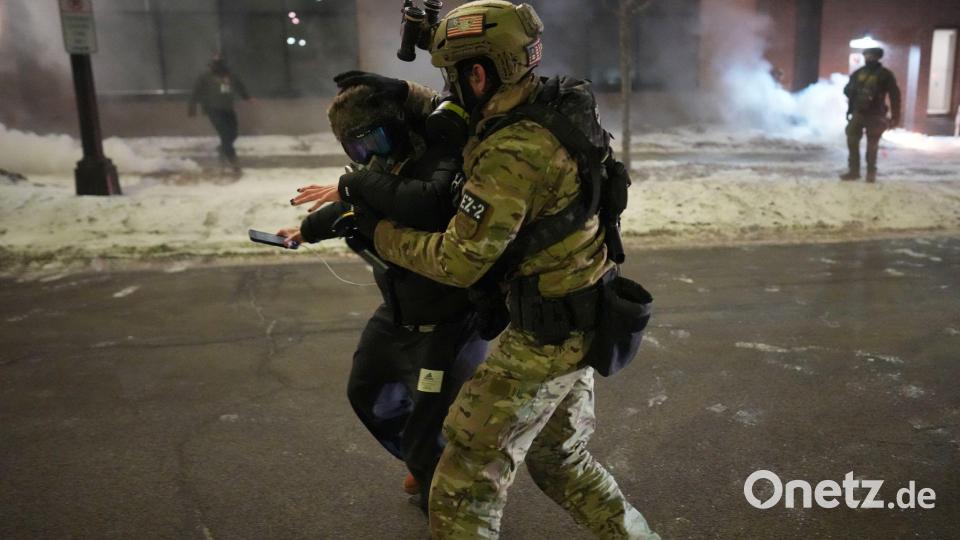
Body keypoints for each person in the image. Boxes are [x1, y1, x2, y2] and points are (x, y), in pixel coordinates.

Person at [340, 2, 659, 537]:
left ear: (480, 74)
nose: (447, 90)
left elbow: (457, 260)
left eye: (452, 76)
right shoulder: (551, 103)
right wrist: (408, 96)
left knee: (463, 481)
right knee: (561, 463)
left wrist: (376, 233)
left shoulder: (513, 150)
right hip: (584, 315)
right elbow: (469, 118)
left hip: (545, 339)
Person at [276, 80, 486, 511]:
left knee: (429, 425)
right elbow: (358, 205)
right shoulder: (384, 163)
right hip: (398, 309)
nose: (368, 154)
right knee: (366, 392)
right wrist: (306, 231)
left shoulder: (440, 153)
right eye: (355, 148)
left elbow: (422, 205)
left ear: (397, 125)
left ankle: (453, 499)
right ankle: (426, 460)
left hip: (447, 319)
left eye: (374, 138)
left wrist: (352, 185)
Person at [841, 47, 901, 183]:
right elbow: (848, 91)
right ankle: (854, 171)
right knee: (852, 140)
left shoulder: (885, 75)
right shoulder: (859, 73)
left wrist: (895, 116)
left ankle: (870, 173)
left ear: (877, 57)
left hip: (876, 114)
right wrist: (850, 105)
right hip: (859, 113)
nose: (869, 58)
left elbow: (894, 96)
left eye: (871, 56)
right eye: (867, 55)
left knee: (872, 144)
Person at [188, 55, 251, 176]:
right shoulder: (205, 77)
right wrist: (192, 107)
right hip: (213, 110)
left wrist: (247, 97)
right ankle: (234, 163)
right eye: (212, 65)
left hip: (228, 109)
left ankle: (222, 150)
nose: (212, 68)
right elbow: (196, 91)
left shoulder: (229, 76)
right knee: (225, 134)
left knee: (233, 134)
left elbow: (239, 85)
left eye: (215, 66)